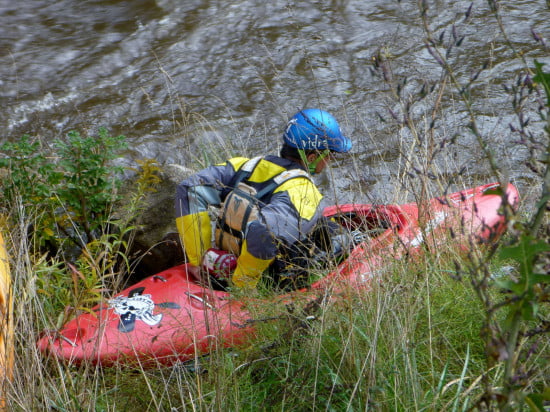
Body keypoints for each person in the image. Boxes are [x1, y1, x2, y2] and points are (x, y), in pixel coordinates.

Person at [175, 108, 352, 290]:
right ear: (312, 157)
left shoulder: (245, 166)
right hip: (262, 279)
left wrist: (198, 261)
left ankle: (215, 264)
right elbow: (265, 232)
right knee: (345, 241)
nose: (330, 159)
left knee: (322, 225)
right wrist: (243, 285)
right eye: (329, 154)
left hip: (223, 261)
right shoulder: (304, 191)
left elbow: (190, 190)